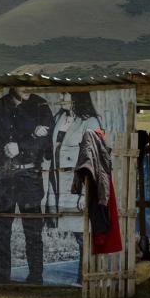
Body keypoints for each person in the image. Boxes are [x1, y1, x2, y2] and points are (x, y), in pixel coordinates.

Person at [0, 88, 54, 284]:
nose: (28, 89)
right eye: (22, 85)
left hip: (30, 176)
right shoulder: (0, 106)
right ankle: (2, 276)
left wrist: (23, 146)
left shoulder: (40, 105)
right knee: (1, 229)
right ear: (13, 86)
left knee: (33, 231)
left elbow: (48, 138)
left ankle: (35, 276)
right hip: (4, 176)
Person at [49, 92, 103, 281]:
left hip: (77, 185)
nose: (62, 98)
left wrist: (84, 192)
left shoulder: (91, 123)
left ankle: (85, 277)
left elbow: (93, 159)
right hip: (58, 184)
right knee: (75, 233)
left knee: (82, 234)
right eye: (61, 94)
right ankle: (82, 276)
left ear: (77, 99)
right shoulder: (59, 119)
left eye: (66, 95)